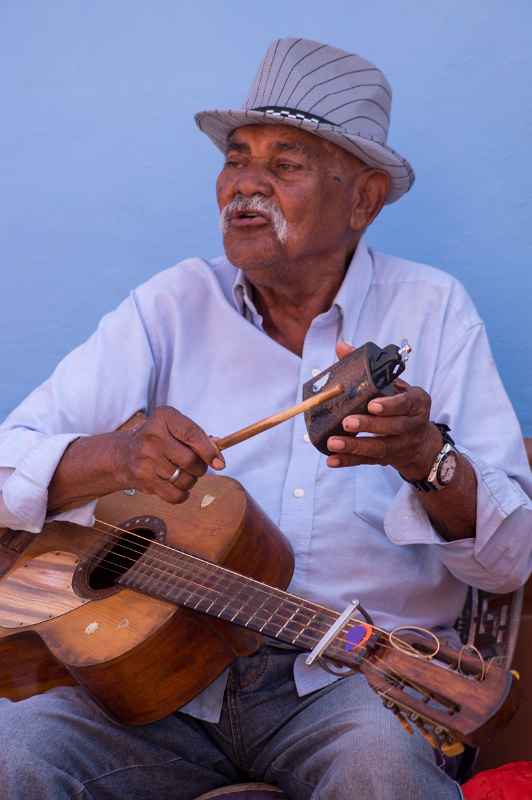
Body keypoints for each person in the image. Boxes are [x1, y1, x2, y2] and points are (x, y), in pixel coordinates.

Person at [0, 37, 531, 800]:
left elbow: (509, 560)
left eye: (284, 165)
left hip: (353, 686)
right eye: (236, 159)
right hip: (162, 683)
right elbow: (6, 466)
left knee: (383, 774)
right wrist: (115, 458)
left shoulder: (433, 309)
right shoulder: (172, 303)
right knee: (15, 750)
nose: (244, 187)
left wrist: (426, 458)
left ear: (364, 198)